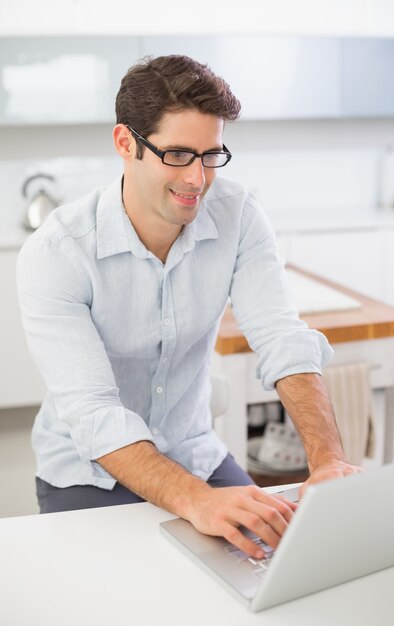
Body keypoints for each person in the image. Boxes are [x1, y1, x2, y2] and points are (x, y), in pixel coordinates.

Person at [17, 55, 360, 560]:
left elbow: (280, 336)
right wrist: (198, 502)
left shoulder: (239, 216)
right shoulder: (58, 253)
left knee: (279, 563)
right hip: (87, 470)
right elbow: (94, 414)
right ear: (125, 143)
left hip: (195, 453)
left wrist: (328, 461)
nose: (197, 179)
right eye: (177, 154)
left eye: (211, 155)